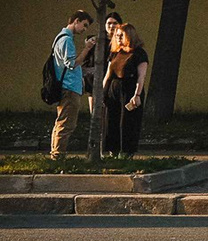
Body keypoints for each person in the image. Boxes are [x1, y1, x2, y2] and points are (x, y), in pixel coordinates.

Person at [95, 13, 151, 157]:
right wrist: (102, 92)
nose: (118, 37)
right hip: (113, 89)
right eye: (117, 35)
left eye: (122, 35)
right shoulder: (115, 53)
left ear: (130, 36)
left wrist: (137, 94)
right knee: (111, 120)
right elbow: (108, 74)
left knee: (127, 121)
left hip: (130, 88)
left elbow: (141, 76)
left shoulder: (139, 53)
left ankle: (126, 152)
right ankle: (112, 151)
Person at [48, 9, 93, 158]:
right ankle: (58, 155)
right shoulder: (66, 40)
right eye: (84, 25)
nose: (84, 29)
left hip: (67, 86)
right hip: (69, 87)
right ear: (76, 21)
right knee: (66, 123)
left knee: (62, 121)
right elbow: (72, 63)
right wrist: (87, 48)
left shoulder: (61, 38)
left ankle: (56, 153)